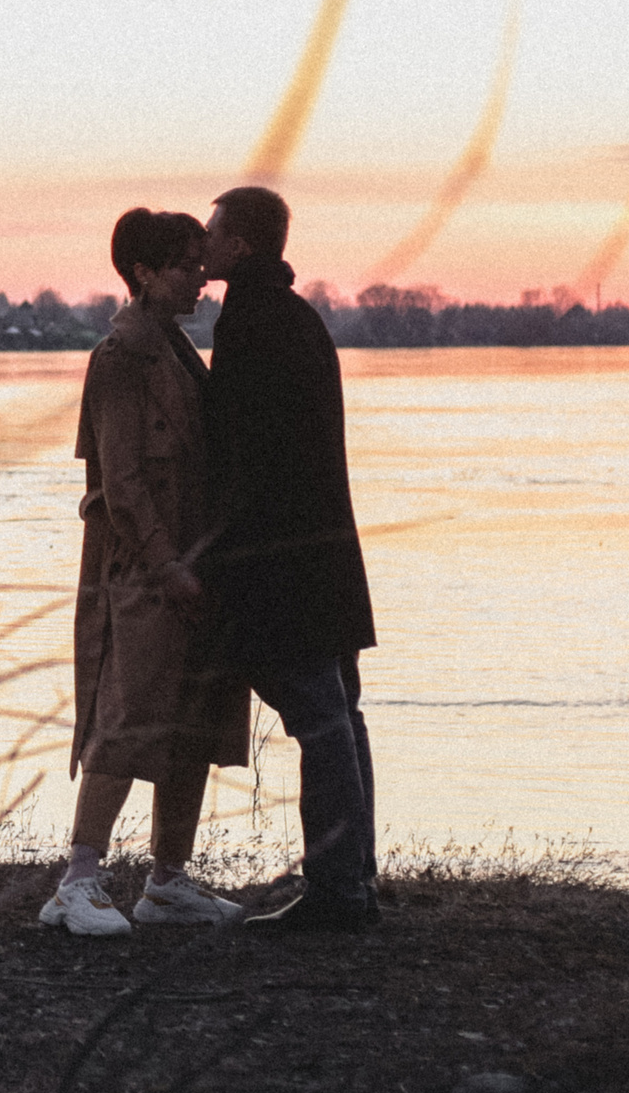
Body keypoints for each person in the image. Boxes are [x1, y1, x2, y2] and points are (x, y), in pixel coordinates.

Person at [41, 208, 250, 937]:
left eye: (200, 260)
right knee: (126, 719)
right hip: (144, 573)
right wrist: (166, 565)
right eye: (186, 263)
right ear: (143, 272)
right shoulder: (120, 355)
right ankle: (77, 880)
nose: (201, 275)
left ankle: (167, 879)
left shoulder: (177, 348)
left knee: (193, 719)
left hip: (192, 567)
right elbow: (122, 484)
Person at [199, 184, 380, 932]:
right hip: (326, 555)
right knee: (341, 715)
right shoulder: (298, 317)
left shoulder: (251, 323)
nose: (203, 244)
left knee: (321, 719)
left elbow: (246, 458)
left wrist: (216, 556)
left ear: (240, 244)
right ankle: (355, 876)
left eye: (212, 232)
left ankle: (338, 890)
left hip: (285, 564)